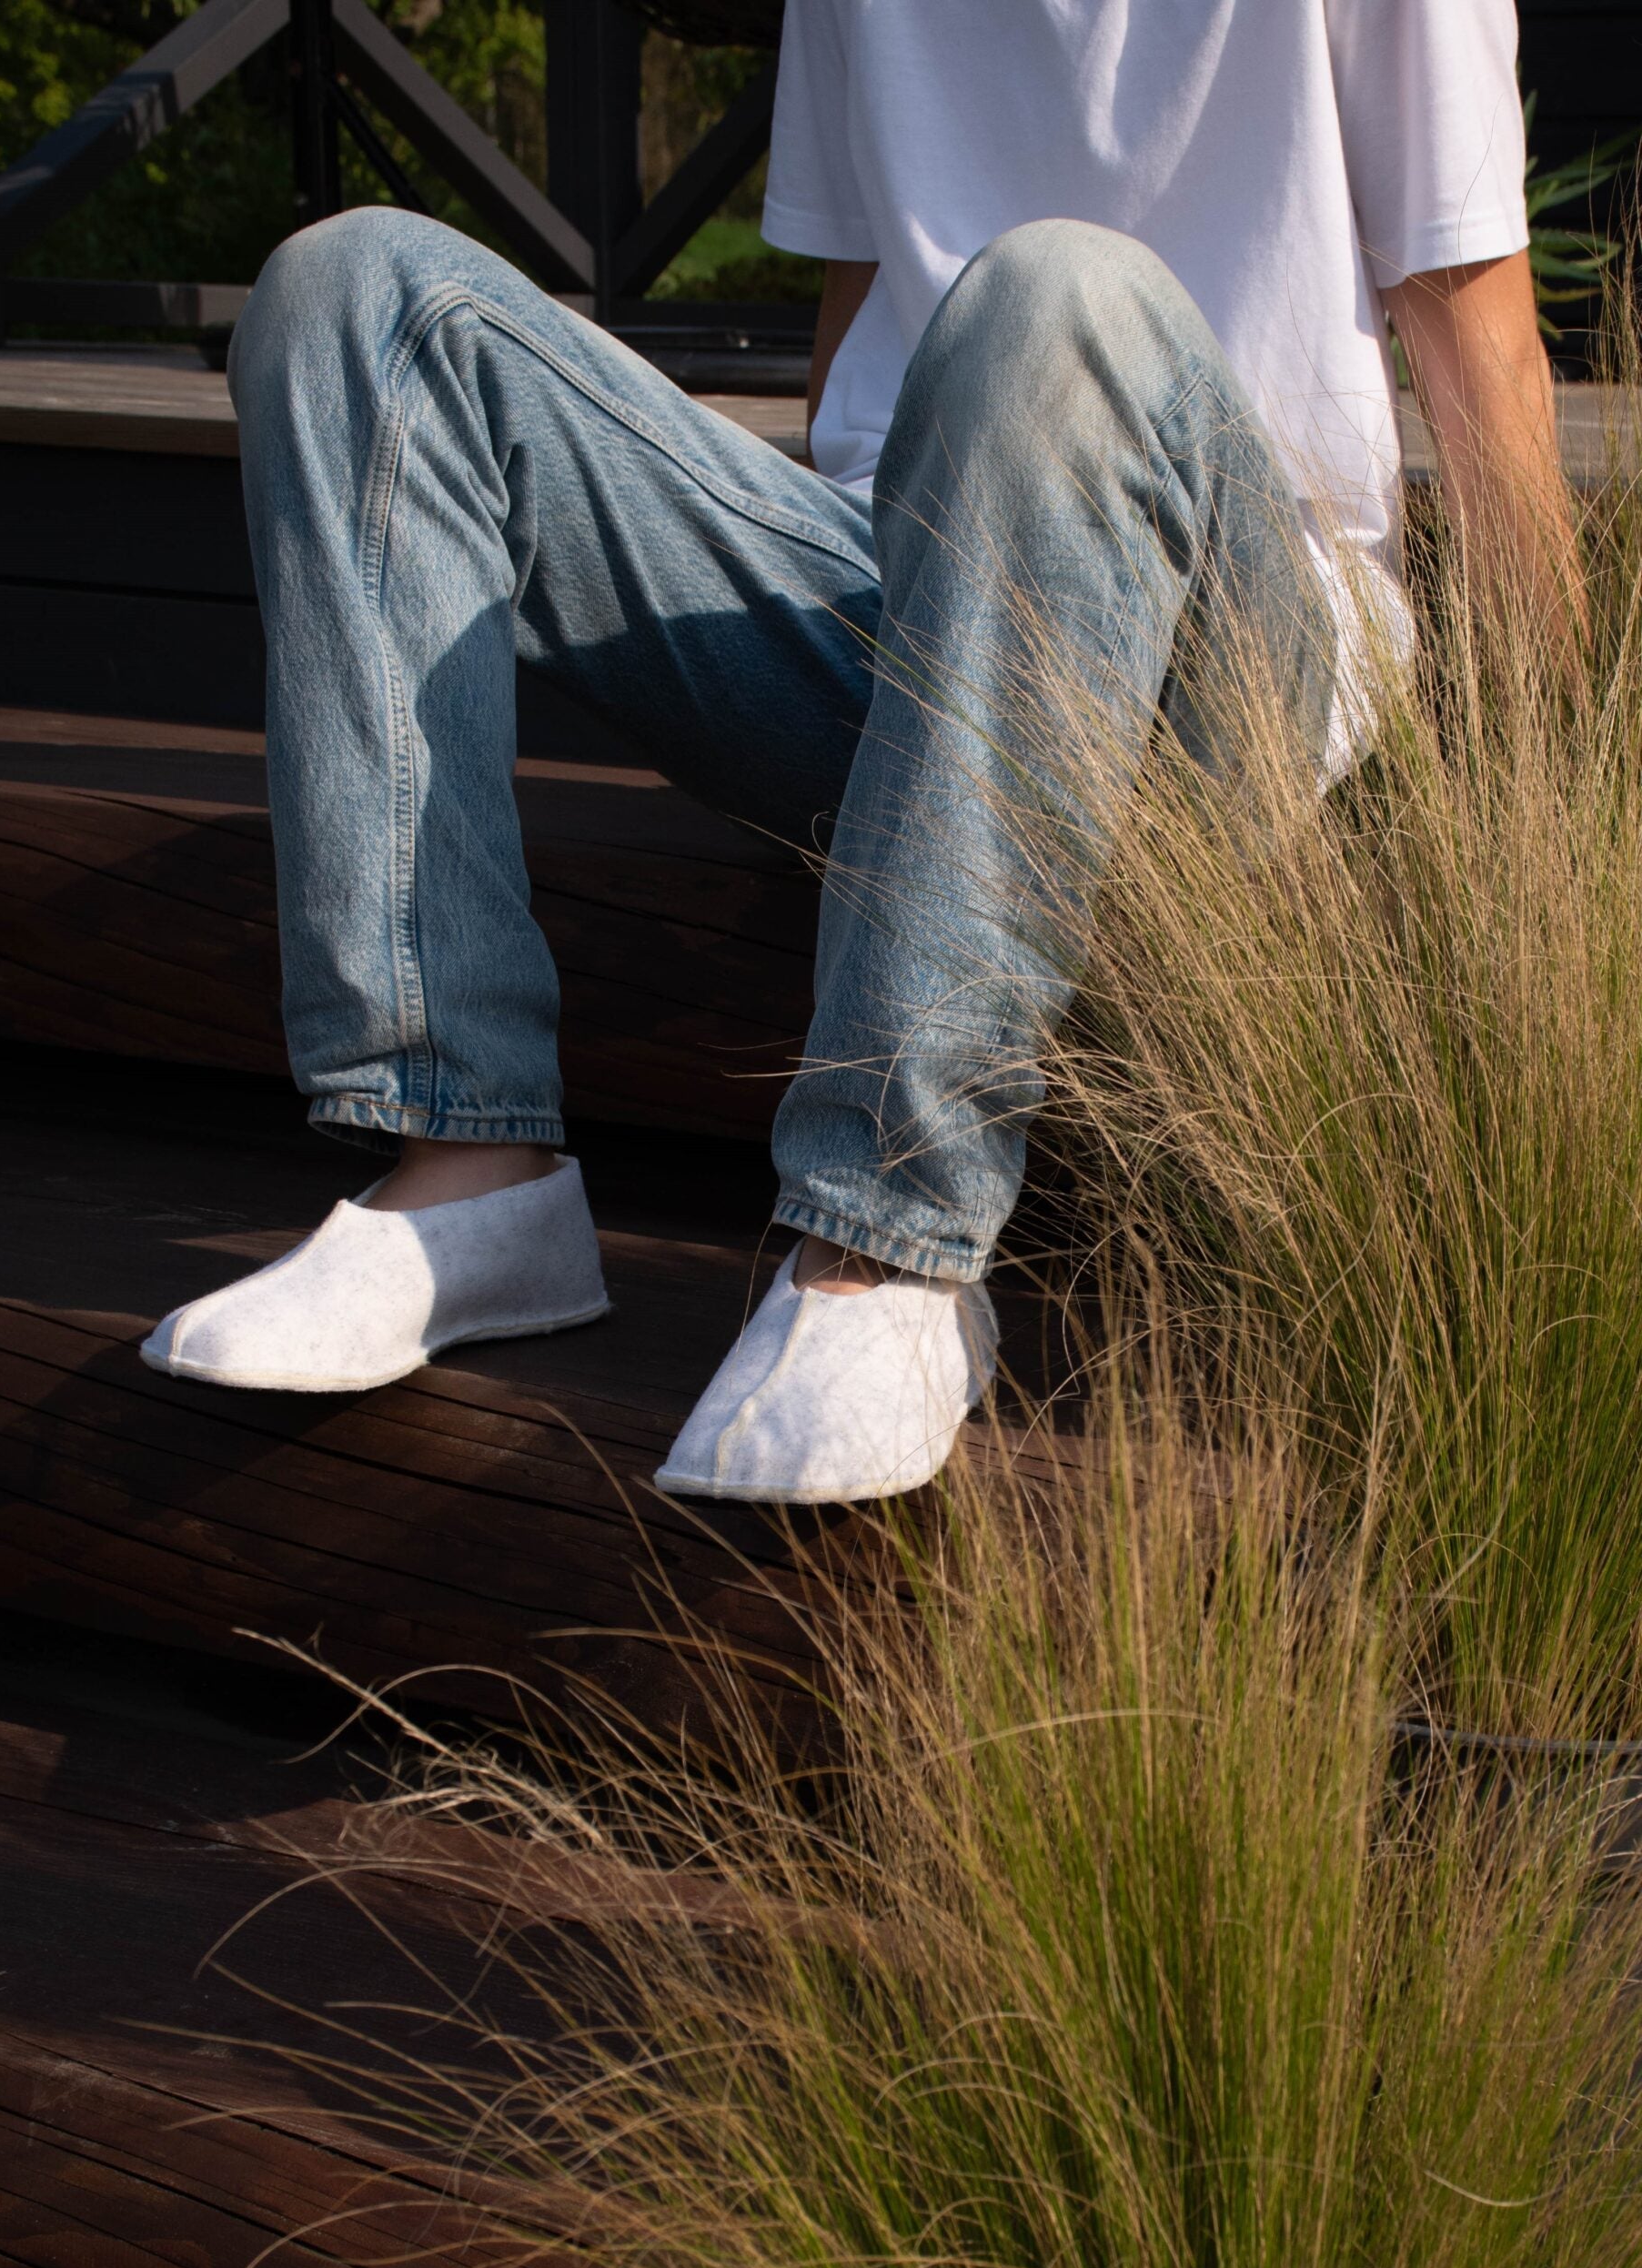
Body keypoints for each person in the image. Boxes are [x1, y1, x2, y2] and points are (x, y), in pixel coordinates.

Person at [141, 0, 1578, 1503]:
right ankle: (466, 1161)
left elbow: (1486, 358)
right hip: (900, 607)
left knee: (1055, 296)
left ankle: (887, 1242)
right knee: (358, 292)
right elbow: (857, 339)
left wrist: (1542, 838)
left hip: (1230, 682)